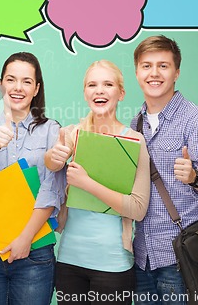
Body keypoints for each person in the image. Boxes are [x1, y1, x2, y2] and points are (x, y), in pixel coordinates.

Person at [45, 60, 150, 305]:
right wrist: (54, 156)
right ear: (85, 93)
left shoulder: (134, 141)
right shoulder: (73, 133)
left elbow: (138, 208)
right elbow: (52, 161)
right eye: (92, 84)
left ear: (121, 93)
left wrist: (86, 183)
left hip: (113, 266)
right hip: (69, 262)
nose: (99, 90)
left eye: (108, 84)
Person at [130, 35, 198, 305]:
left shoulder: (195, 119)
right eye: (146, 66)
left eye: (163, 65)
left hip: (181, 258)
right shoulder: (135, 123)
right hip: (143, 256)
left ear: (176, 73)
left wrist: (195, 177)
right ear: (137, 72)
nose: (154, 73)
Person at [0, 52, 65, 305]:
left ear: (36, 88)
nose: (18, 88)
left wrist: (25, 238)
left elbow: (52, 187)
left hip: (35, 248)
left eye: (26, 81)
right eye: (11, 80)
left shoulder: (51, 130)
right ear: (1, 83)